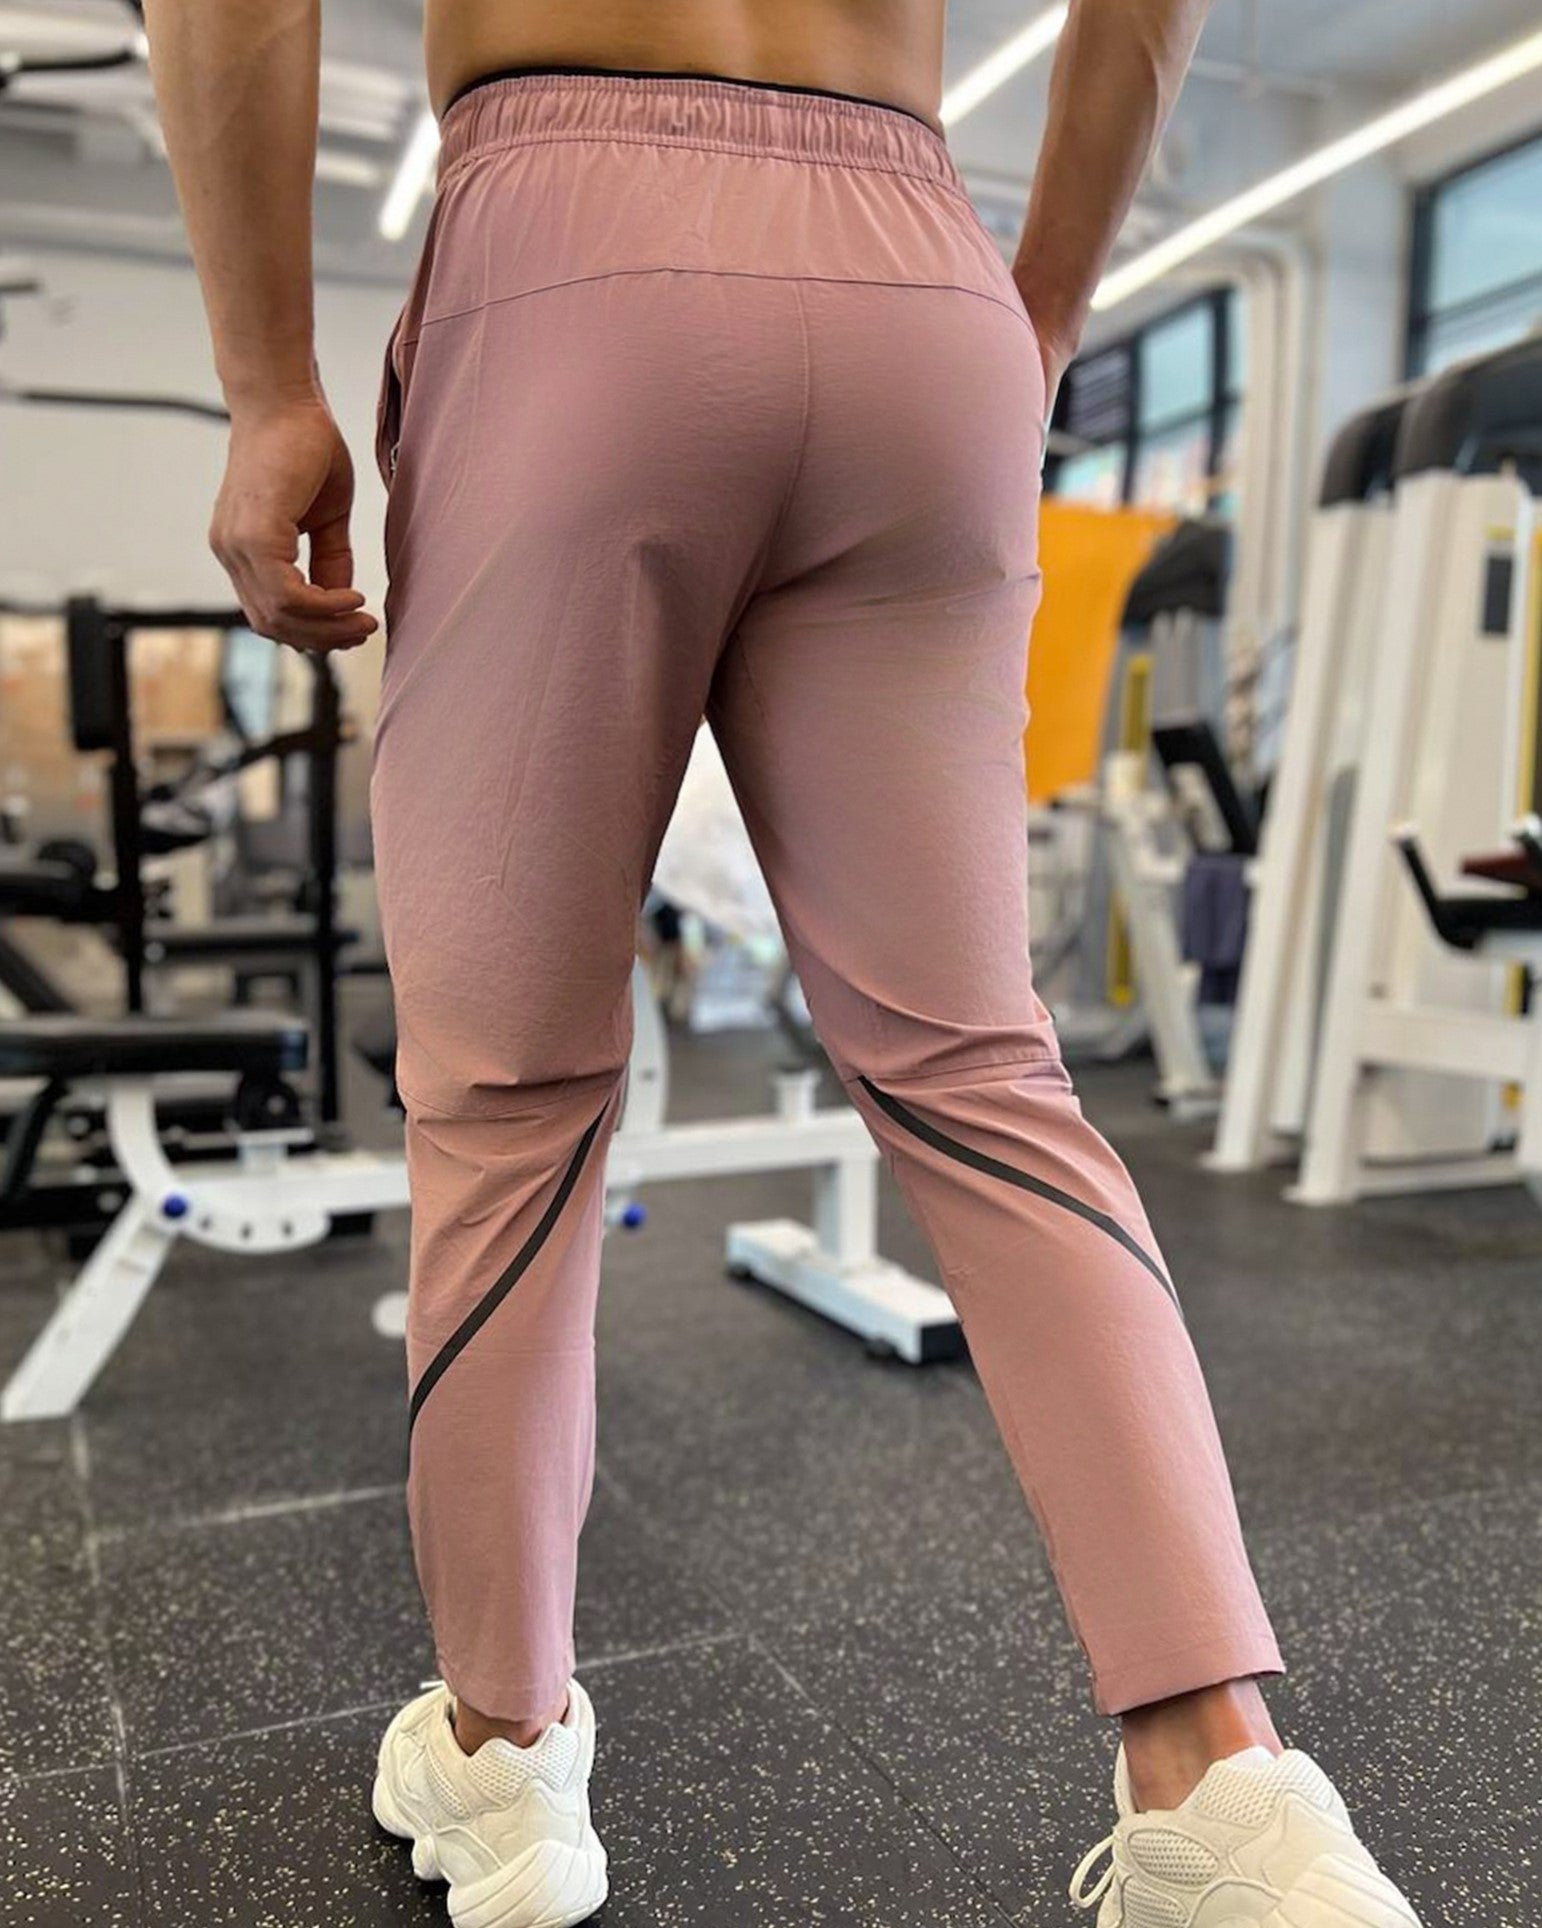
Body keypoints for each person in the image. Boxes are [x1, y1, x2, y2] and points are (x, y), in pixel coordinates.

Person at [141, 3, 1424, 1924]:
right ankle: (1226, 1793)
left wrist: (264, 390)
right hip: (920, 277)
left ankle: (503, 1756)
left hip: (574, 253)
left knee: (508, 1099)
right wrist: (1031, 318)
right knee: (984, 1074)